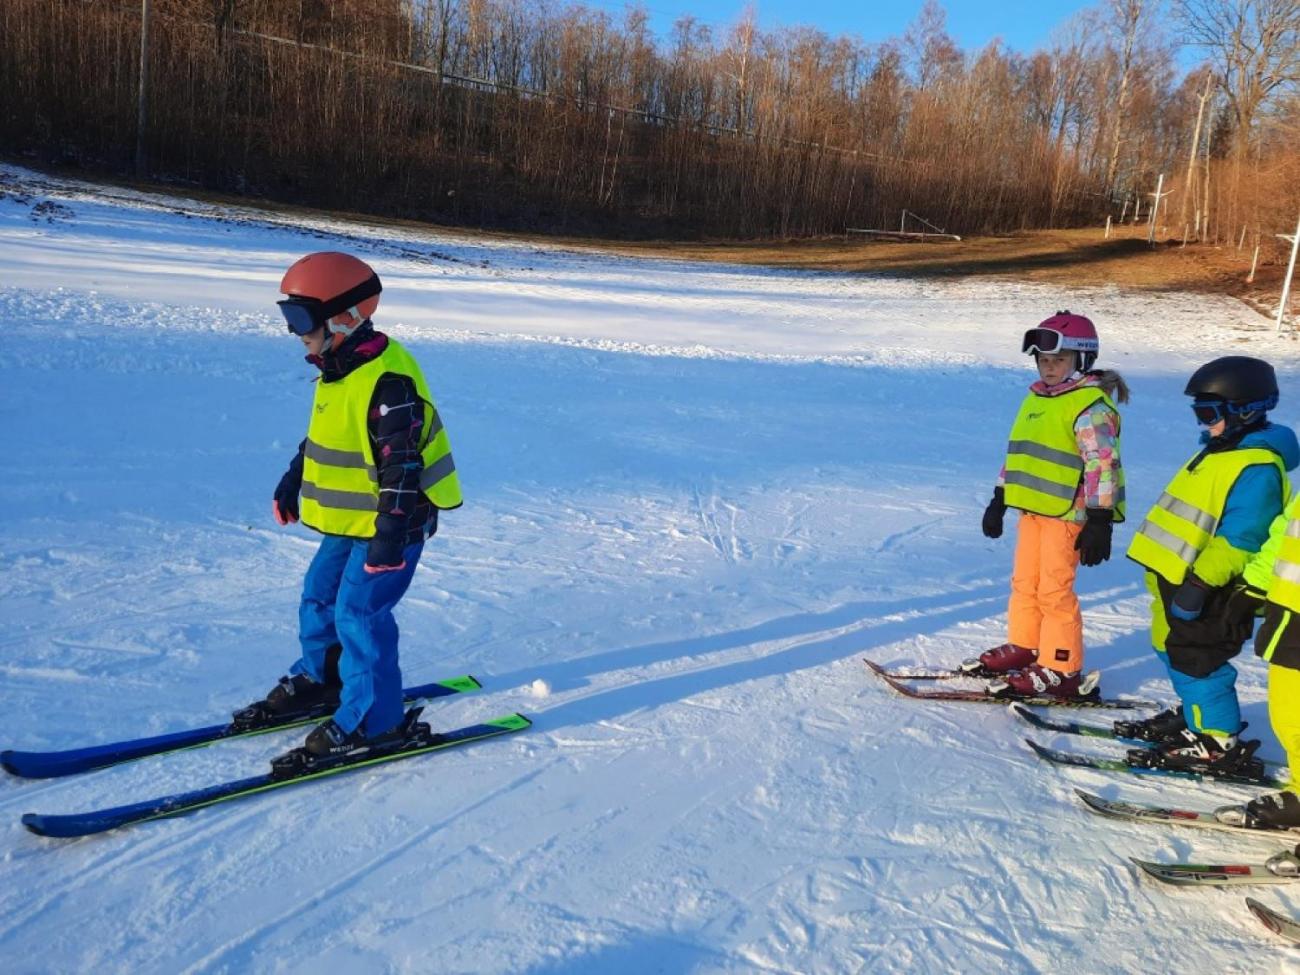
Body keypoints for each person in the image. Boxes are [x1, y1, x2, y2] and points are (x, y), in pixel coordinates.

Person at [234, 251, 462, 758]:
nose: (295, 332)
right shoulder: (339, 367)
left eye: (301, 318)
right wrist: (294, 479)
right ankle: (325, 680)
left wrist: (390, 537)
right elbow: (324, 435)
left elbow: (401, 466)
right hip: (354, 518)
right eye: (287, 316)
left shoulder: (389, 383)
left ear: (346, 316)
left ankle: (376, 721)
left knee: (359, 613)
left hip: (393, 524)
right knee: (319, 596)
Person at [1122, 355, 1297, 777]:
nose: (1203, 424)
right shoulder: (1223, 450)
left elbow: (1241, 539)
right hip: (1172, 577)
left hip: (1207, 587)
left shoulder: (1255, 467)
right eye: (1199, 412)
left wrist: (1202, 582)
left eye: (1209, 413)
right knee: (1170, 648)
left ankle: (1216, 738)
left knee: (1199, 660)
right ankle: (1197, 714)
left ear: (1244, 410)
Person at [968, 311, 1128, 699]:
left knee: (1055, 592)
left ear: (1082, 361)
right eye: (1044, 360)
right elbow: (1020, 455)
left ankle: (1062, 665)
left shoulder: (1090, 407)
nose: (1050, 367)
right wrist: (999, 498)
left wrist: (1100, 520)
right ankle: (1026, 644)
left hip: (1070, 513)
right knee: (1025, 584)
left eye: (1059, 360)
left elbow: (1102, 465)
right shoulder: (1037, 398)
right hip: (1034, 510)